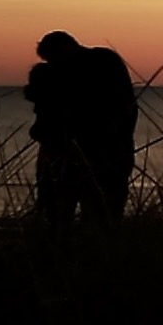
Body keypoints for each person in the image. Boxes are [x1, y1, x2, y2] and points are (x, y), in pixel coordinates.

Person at [23, 31, 137, 231]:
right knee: (60, 212)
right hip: (71, 153)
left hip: (105, 153)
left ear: (66, 48)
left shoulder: (100, 63)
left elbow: (121, 107)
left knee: (99, 213)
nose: (54, 64)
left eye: (54, 59)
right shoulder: (54, 75)